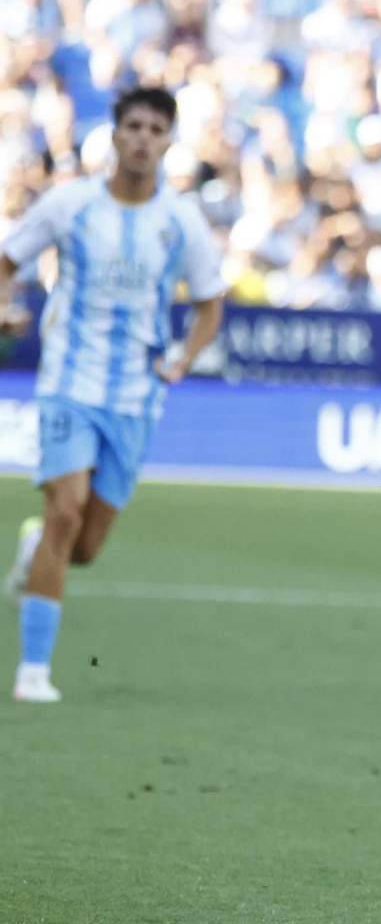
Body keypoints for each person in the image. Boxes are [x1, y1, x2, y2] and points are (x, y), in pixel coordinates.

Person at [2, 87, 226, 703]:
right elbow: (6, 260)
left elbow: (210, 304)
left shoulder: (179, 219)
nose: (143, 137)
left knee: (85, 546)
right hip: (67, 386)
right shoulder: (69, 204)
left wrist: (183, 356)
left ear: (169, 140)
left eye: (156, 128)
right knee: (64, 511)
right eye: (133, 125)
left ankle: (34, 552)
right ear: (115, 134)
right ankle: (32, 672)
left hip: (136, 396)